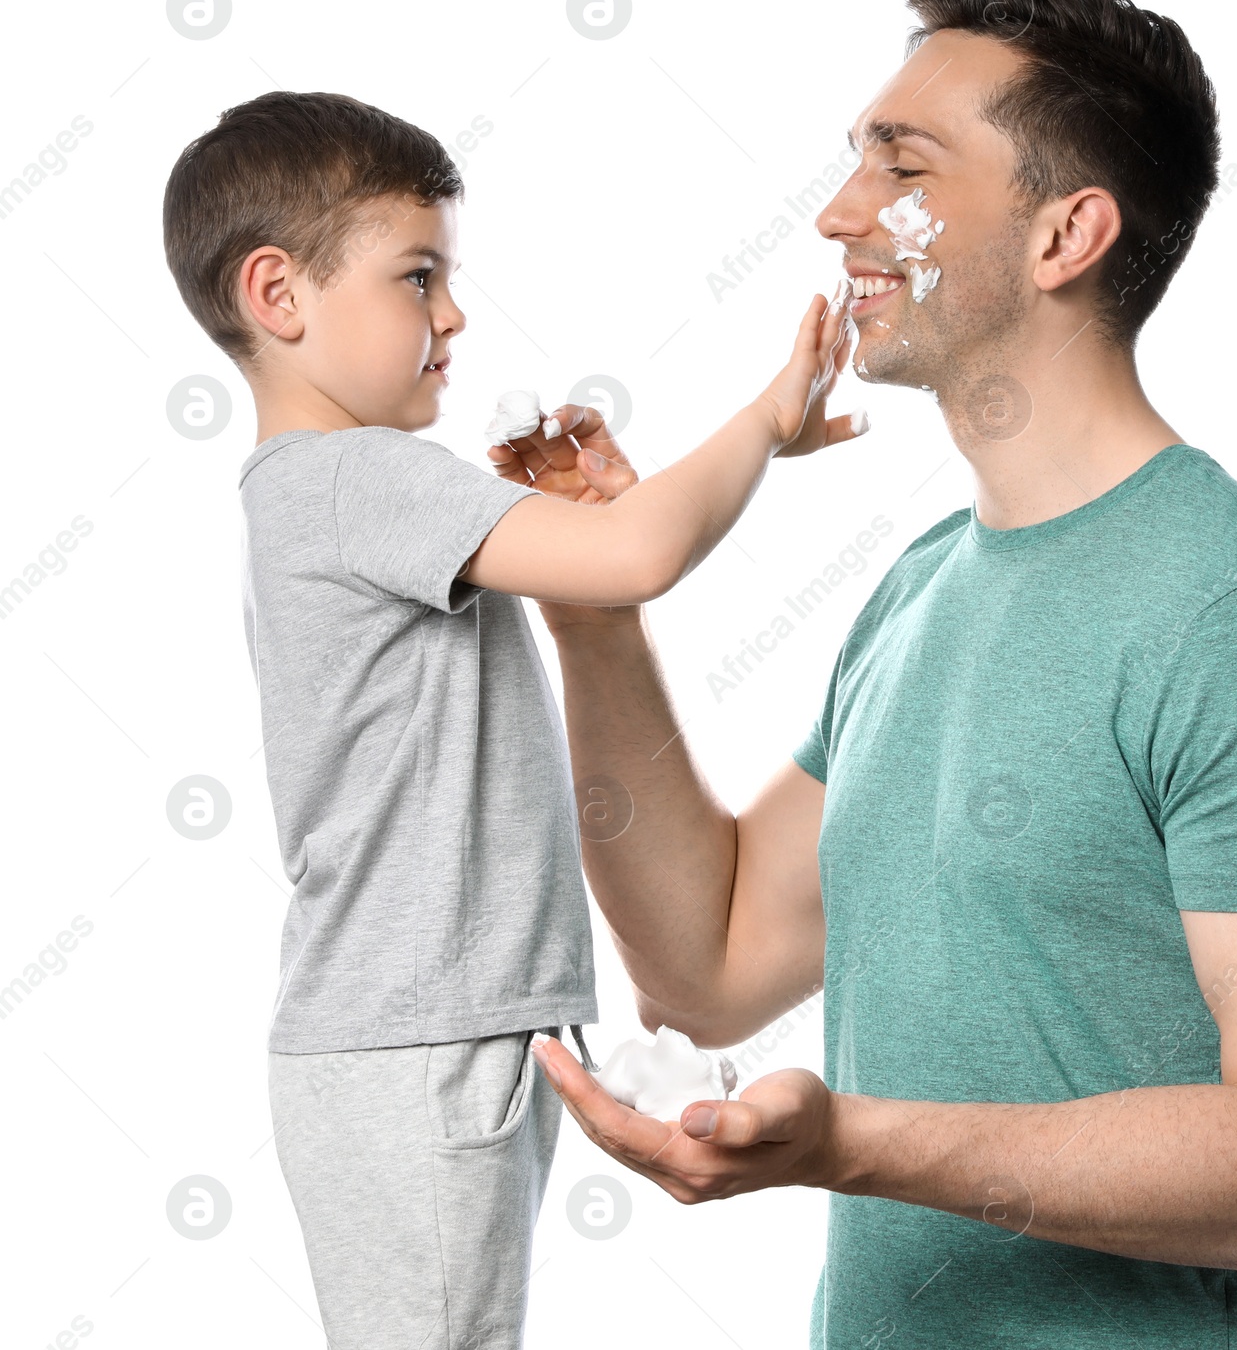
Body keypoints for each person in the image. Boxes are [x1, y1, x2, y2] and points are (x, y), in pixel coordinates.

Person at [520, 0, 1237, 1349]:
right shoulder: (923, 587)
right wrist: (596, 618)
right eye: (856, 160)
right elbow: (704, 963)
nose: (837, 214)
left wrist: (854, 1141)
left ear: (1068, 232)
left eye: (903, 166)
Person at [161, 89, 860, 1349]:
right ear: (278, 295)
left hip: (425, 1033)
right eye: (417, 275)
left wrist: (578, 528)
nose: (453, 314)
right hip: (422, 1039)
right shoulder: (359, 476)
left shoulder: (325, 493)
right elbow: (640, 553)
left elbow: (602, 571)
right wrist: (768, 416)